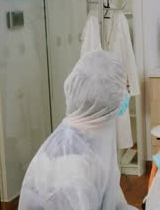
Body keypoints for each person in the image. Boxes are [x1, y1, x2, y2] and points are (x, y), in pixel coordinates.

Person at [19, 50, 136, 210]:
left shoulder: (92, 139)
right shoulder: (70, 166)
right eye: (124, 89)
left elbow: (113, 201)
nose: (126, 95)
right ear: (105, 98)